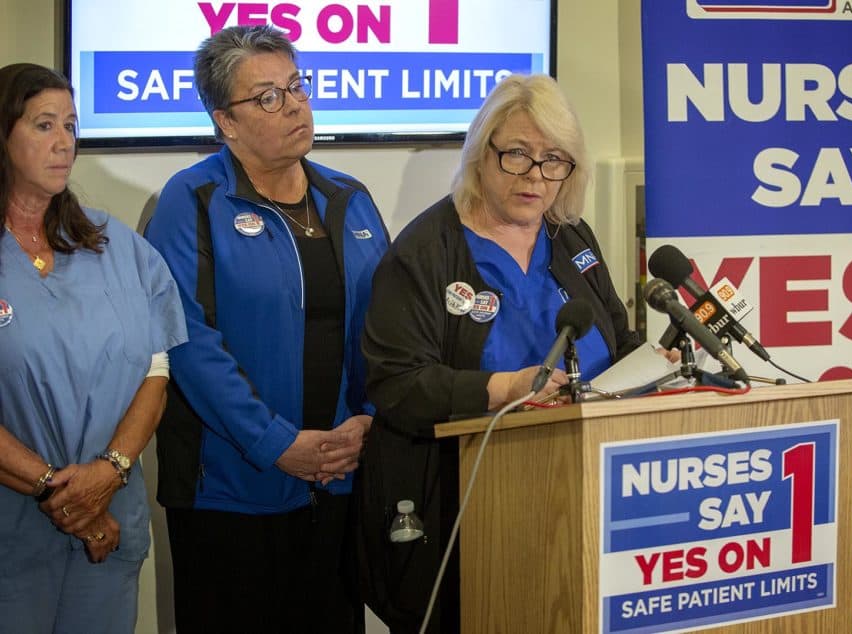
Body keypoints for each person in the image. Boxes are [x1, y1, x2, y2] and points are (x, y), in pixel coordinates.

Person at [357, 73, 651, 632]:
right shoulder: (425, 252)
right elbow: (397, 384)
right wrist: (507, 389)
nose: (536, 177)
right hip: (465, 510)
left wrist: (658, 370)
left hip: (585, 497)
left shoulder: (572, 237)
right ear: (480, 153)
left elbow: (616, 338)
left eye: (554, 160)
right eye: (517, 154)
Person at [143, 25, 389, 633]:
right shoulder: (193, 200)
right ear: (226, 121)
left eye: (297, 86)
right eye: (269, 96)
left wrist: (368, 422)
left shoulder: (348, 199)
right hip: (229, 492)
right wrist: (276, 444)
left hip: (338, 481)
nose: (296, 104)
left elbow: (387, 328)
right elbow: (189, 342)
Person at [0, 63, 187, 633]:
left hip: (110, 521)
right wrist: (67, 498)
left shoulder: (114, 245)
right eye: (43, 125)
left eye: (72, 127)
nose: (64, 144)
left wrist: (109, 472)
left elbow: (156, 368)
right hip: (16, 535)